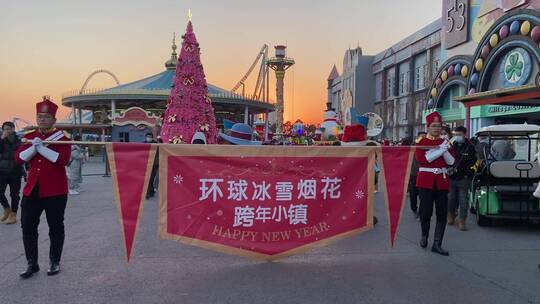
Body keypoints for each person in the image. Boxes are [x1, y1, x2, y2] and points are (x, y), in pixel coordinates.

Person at [14, 97, 71, 278]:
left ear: (54, 119)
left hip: (55, 190)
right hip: (33, 189)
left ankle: (54, 261)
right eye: (40, 116)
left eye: (47, 117)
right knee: (27, 225)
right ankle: (32, 263)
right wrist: (33, 147)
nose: (43, 119)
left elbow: (62, 160)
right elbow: (18, 158)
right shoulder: (29, 136)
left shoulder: (62, 138)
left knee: (55, 226)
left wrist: (41, 148)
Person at [415, 111, 455, 256]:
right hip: (425, 181)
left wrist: (444, 148)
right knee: (425, 212)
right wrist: (441, 149)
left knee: (442, 213)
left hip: (442, 181)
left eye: (439, 126)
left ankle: (437, 243)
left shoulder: (445, 142)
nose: (437, 128)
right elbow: (424, 160)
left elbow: (451, 161)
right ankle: (424, 235)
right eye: (434, 126)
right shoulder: (422, 142)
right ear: (428, 127)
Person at [447, 126, 477, 231]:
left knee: (463, 200)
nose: (457, 137)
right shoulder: (451, 146)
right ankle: (451, 214)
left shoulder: (470, 147)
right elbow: (446, 160)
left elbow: (474, 163)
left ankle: (462, 221)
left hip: (464, 178)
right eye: (455, 134)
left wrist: (468, 173)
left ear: (464, 134)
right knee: (451, 198)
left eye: (459, 134)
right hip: (452, 177)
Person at [0, 121, 23, 224]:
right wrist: (1, 139)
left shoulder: (19, 141)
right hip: (2, 171)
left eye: (9, 129)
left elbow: (24, 155)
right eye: (5, 129)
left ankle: (13, 214)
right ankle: (6, 208)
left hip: (15, 171)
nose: (7, 131)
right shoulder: (1, 141)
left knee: (14, 195)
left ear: (13, 129)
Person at [409, 131, 427, 217]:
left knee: (423, 196)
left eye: (425, 137)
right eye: (421, 137)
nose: (423, 139)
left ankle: (421, 213)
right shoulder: (413, 147)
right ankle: (414, 208)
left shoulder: (428, 148)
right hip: (413, 174)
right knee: (413, 195)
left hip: (424, 174)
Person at [144, 133, 158, 199]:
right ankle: (148, 193)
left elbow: (158, 154)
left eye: (150, 137)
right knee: (147, 178)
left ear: (152, 137)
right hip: (146, 163)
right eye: (147, 137)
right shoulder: (143, 144)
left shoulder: (156, 144)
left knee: (152, 178)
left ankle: (151, 191)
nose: (148, 138)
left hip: (154, 164)